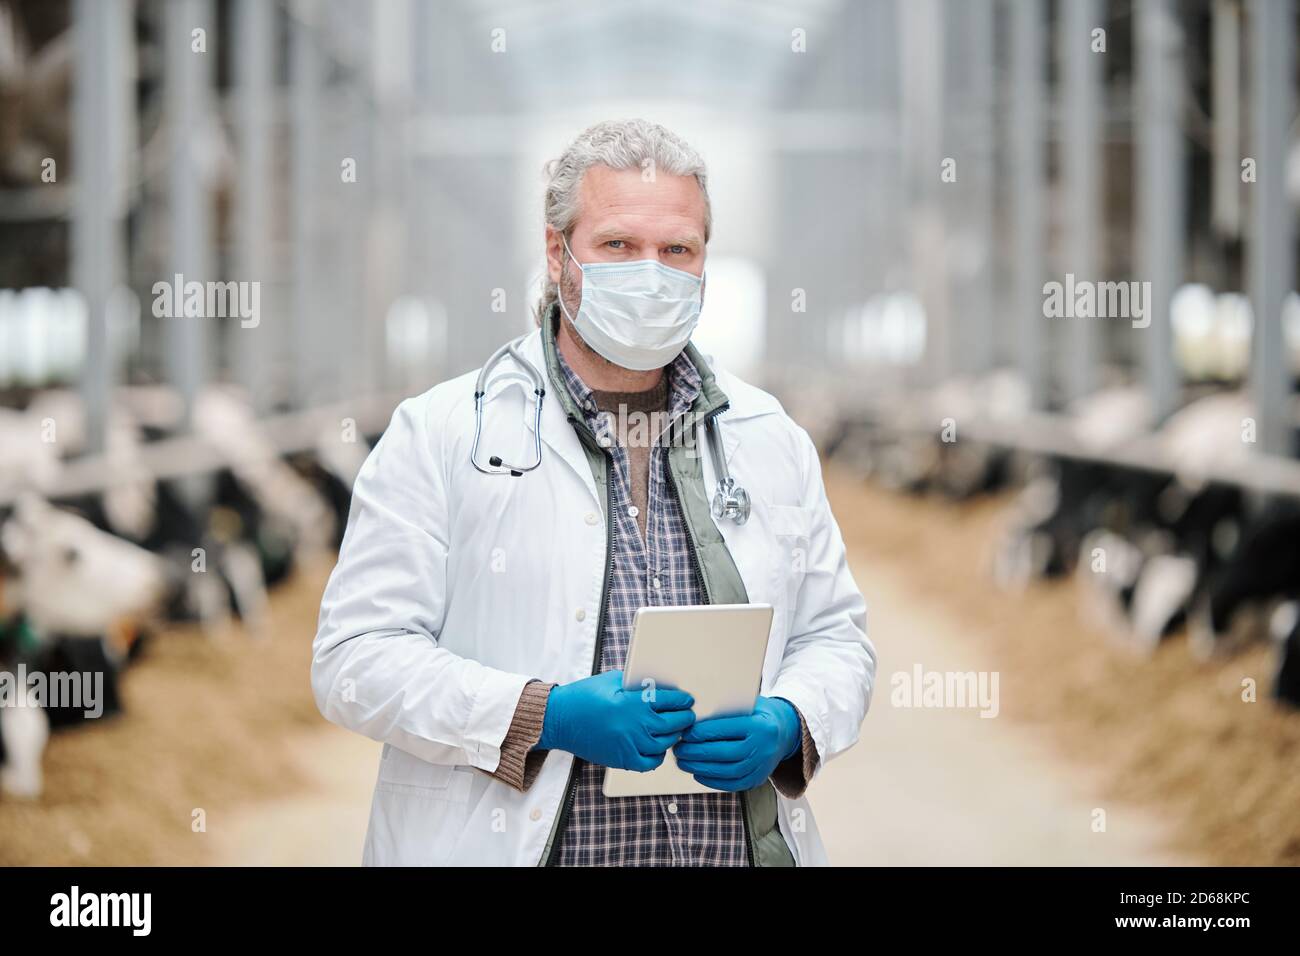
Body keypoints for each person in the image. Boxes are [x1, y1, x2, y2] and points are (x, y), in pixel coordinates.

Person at [312, 119, 875, 866]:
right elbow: (355, 661)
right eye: (618, 245)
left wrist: (788, 720)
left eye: (678, 250)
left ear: (706, 262)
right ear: (557, 253)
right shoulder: (441, 433)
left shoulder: (769, 437)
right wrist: (541, 715)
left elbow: (836, 639)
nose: (652, 273)